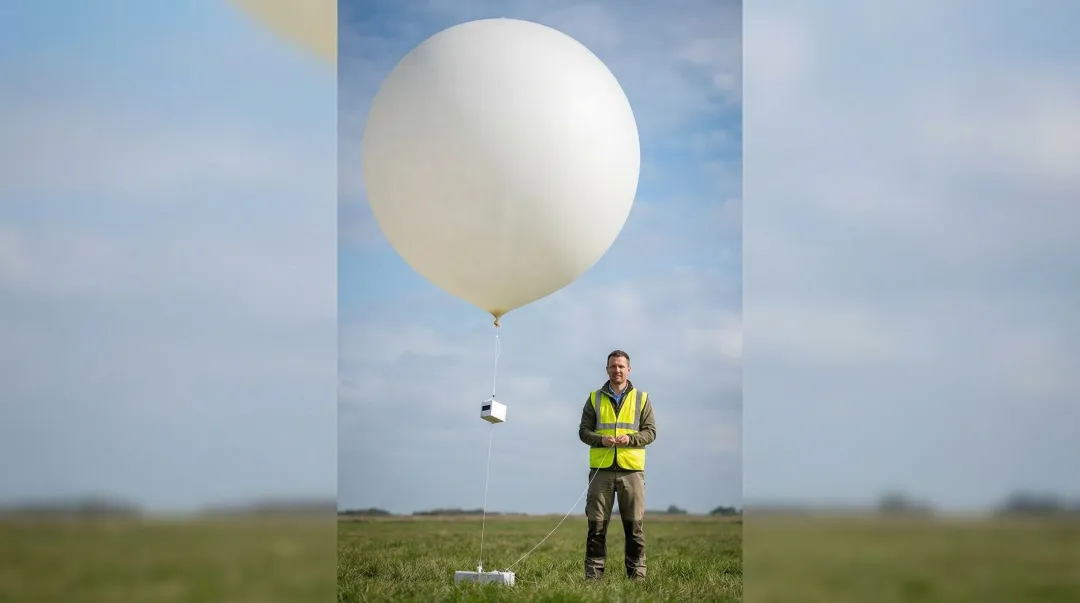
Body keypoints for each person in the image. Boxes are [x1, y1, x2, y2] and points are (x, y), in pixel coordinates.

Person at [577, 349, 657, 580]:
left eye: (621, 366)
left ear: (629, 369)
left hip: (631, 472)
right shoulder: (594, 398)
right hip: (600, 472)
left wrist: (631, 439)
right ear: (607, 369)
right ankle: (593, 578)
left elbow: (651, 432)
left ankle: (637, 578)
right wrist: (600, 439)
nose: (617, 370)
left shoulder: (642, 398)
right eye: (613, 366)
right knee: (596, 528)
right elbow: (583, 431)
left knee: (634, 528)